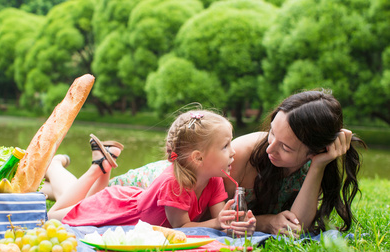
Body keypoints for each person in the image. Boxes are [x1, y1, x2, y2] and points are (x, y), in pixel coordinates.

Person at [107, 90, 366, 236]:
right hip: (160, 185)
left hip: (180, 205)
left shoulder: (313, 162)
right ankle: (86, 165)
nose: (270, 148)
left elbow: (296, 225)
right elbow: (206, 215)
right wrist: (264, 222)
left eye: (286, 147)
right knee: (85, 202)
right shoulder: (240, 155)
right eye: (272, 133)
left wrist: (320, 165)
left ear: (314, 151)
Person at [46, 110, 257, 236]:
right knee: (53, 215)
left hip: (129, 201)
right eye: (226, 146)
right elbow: (182, 227)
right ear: (198, 158)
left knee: (78, 201)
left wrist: (236, 224)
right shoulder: (175, 183)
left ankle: (100, 167)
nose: (234, 151)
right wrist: (220, 223)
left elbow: (219, 220)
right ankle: (72, 167)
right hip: (117, 210)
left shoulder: (214, 179)